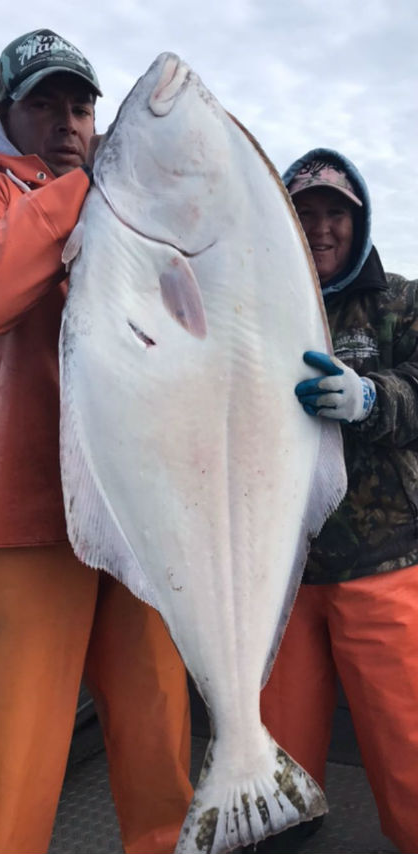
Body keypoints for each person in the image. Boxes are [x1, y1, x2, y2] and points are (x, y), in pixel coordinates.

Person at [0, 29, 192, 854]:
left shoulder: (129, 210)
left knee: (163, 757)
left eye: (81, 106)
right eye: (43, 103)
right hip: (22, 523)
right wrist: (76, 192)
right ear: (6, 112)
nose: (67, 121)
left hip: (135, 524)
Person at [255, 149, 418, 854]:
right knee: (275, 749)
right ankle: (286, 832)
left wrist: (374, 398)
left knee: (406, 735)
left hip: (381, 559)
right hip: (278, 573)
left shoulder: (401, 300)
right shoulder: (252, 308)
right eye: (304, 213)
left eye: (335, 215)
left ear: (359, 221)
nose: (321, 228)